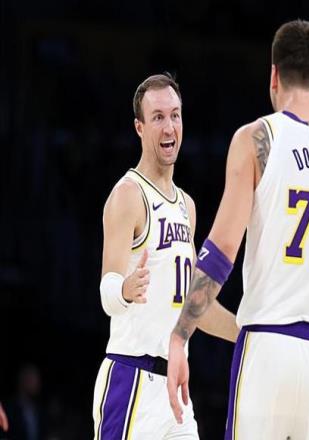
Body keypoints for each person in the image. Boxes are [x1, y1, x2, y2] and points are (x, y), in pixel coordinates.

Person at [167, 19, 309, 439]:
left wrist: (181, 335)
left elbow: (221, 250)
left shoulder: (257, 138)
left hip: (268, 347)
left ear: (273, 76)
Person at [93, 72, 239, 440]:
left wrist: (249, 333)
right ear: (139, 128)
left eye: (175, 115)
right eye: (157, 117)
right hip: (131, 380)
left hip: (175, 387)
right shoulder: (128, 195)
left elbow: (195, 306)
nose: (169, 125)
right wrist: (125, 289)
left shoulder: (186, 206)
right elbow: (107, 293)